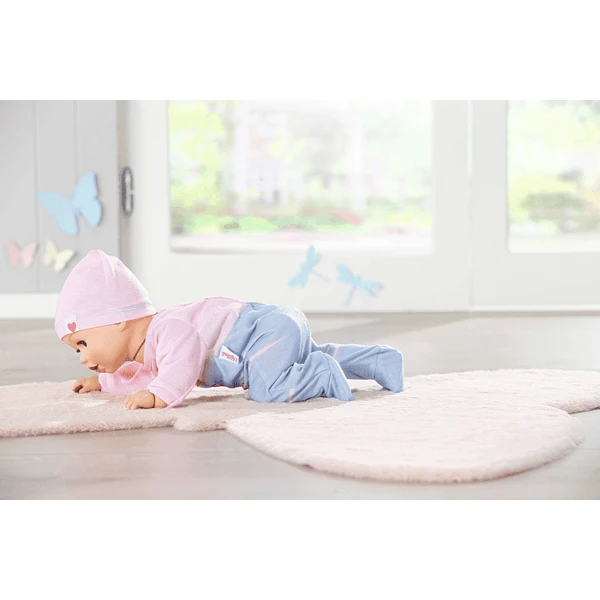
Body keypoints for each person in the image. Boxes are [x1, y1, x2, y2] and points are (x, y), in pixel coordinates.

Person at [56, 250, 404, 410]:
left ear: (118, 319)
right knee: (296, 359)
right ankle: (378, 361)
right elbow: (147, 377)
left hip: (262, 333)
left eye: (82, 341)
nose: (82, 356)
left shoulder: (168, 328)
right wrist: (106, 382)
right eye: (76, 349)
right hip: (272, 329)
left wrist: (160, 395)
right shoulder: (149, 349)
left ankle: (321, 372)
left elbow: (179, 365)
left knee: (268, 388)